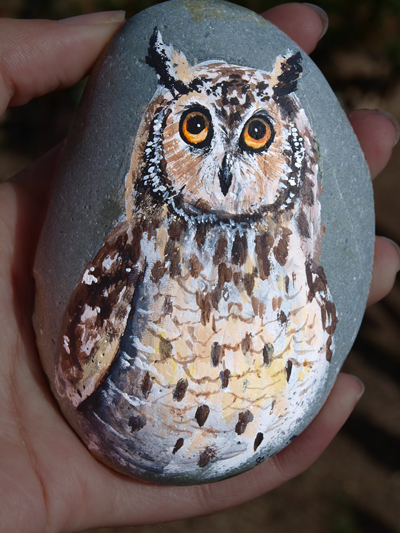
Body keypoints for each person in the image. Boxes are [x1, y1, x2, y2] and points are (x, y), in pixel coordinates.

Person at [0, 4, 399, 532]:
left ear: (291, 145)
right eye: (195, 127)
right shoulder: (126, 265)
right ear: (161, 131)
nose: (225, 165)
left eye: (257, 136)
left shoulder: (305, 280)